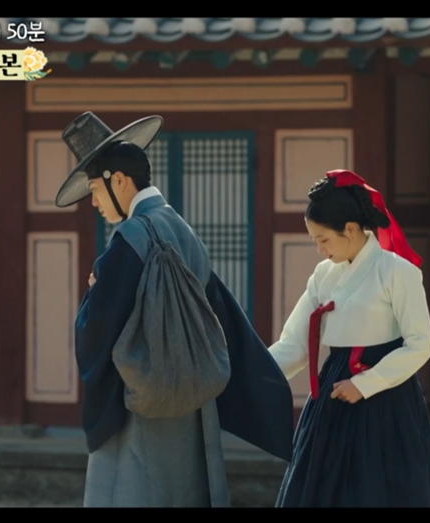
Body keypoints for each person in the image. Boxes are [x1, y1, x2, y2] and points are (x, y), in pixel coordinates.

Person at [54, 111, 294, 507]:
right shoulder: (183, 228)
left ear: (119, 181)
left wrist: (94, 295)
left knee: (132, 492)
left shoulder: (130, 236)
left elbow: (98, 327)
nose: (93, 201)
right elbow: (219, 313)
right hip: (194, 400)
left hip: (143, 402)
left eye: (95, 189)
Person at [268, 169, 430, 507]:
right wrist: (248, 374)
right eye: (315, 241)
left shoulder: (398, 272)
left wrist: (365, 384)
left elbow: (420, 343)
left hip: (386, 395)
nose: (319, 250)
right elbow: (294, 345)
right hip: (333, 394)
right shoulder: (324, 276)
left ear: (349, 229)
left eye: (323, 239)